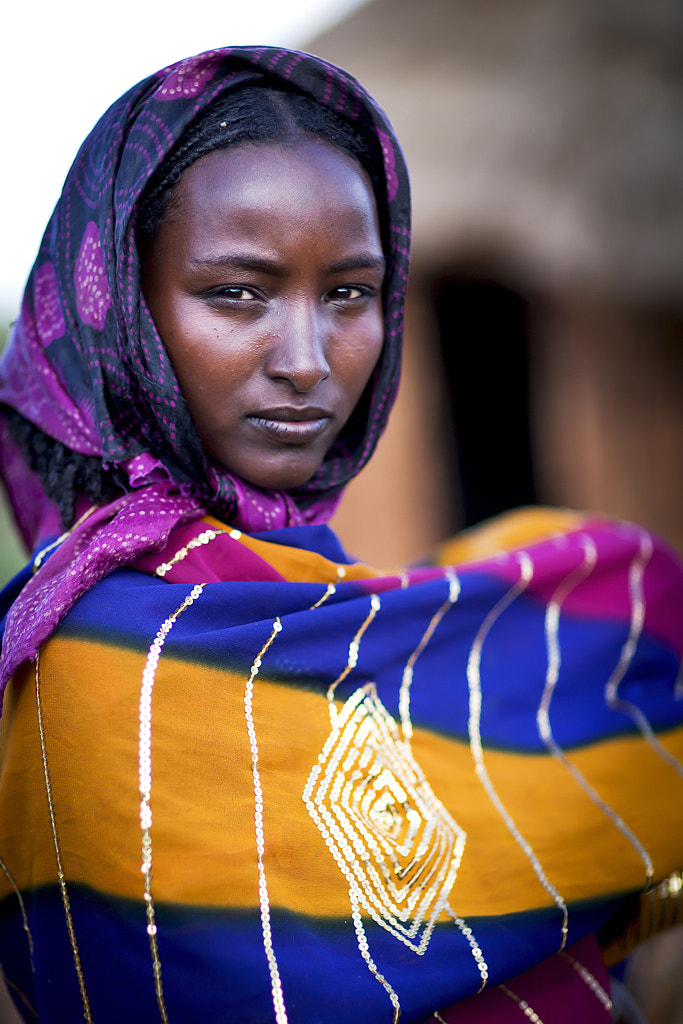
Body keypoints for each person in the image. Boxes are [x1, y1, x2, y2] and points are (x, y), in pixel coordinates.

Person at [0, 46, 681, 1024]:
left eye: (349, 293)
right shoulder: (96, 666)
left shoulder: (393, 624)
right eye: (237, 292)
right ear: (124, 308)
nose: (306, 360)